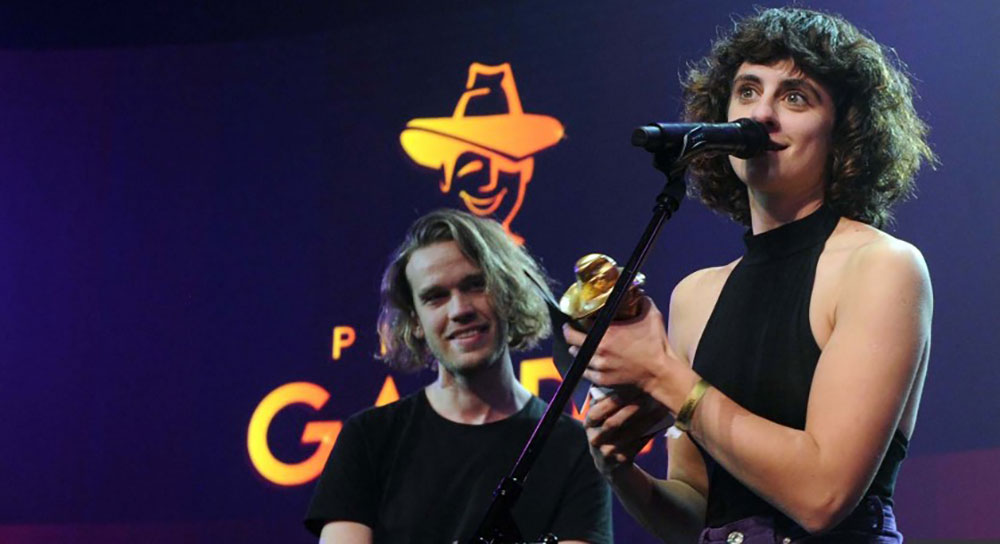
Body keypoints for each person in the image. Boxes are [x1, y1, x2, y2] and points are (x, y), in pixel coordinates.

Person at [563, 7, 935, 543]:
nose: (760, 114)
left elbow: (822, 497)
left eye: (795, 97)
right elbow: (696, 512)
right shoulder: (695, 295)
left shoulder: (881, 266)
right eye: (747, 91)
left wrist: (661, 373)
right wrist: (618, 469)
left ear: (845, 131)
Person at [305, 209, 613, 543]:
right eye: (435, 297)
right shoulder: (368, 438)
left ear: (508, 292)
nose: (460, 310)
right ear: (416, 322)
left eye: (476, 285)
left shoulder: (574, 448)